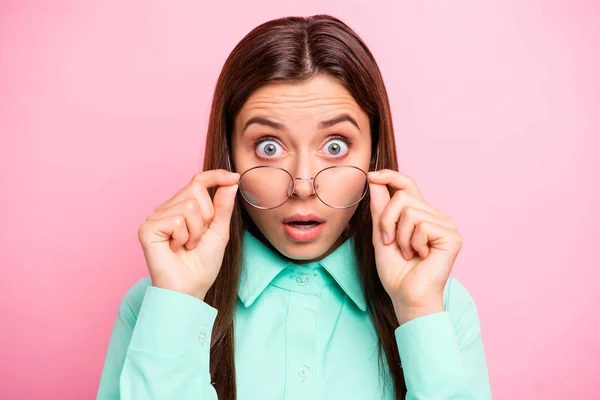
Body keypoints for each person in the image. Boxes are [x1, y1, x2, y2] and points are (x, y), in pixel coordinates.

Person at [96, 14, 492, 400]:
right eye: (268, 147)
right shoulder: (159, 302)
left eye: (335, 146)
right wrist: (178, 303)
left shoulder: (442, 305)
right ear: (230, 157)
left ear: (374, 154)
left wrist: (418, 309)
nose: (303, 185)